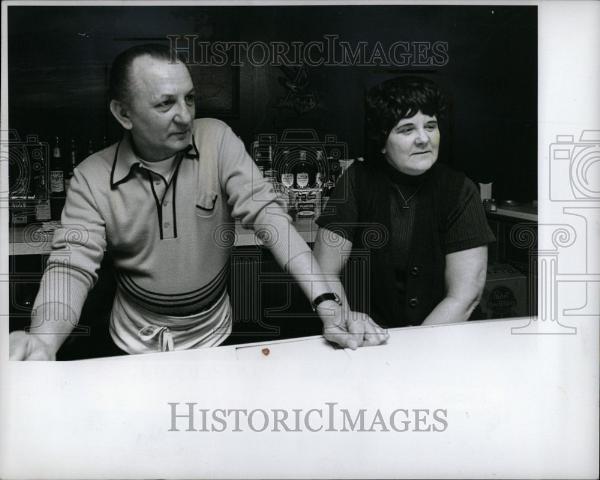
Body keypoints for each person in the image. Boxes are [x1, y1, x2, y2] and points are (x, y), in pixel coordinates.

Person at [10, 44, 388, 360]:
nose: (185, 116)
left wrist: (326, 301)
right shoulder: (91, 177)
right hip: (131, 340)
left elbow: (270, 220)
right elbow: (70, 267)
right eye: (165, 104)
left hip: (214, 335)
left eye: (189, 98)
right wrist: (43, 339)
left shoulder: (217, 139)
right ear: (123, 114)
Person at [314, 76, 495, 328]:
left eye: (430, 126)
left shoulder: (460, 189)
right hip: (369, 340)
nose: (424, 139)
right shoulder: (356, 180)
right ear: (382, 141)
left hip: (441, 339)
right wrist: (346, 323)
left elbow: (464, 297)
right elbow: (324, 271)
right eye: (407, 129)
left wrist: (414, 349)